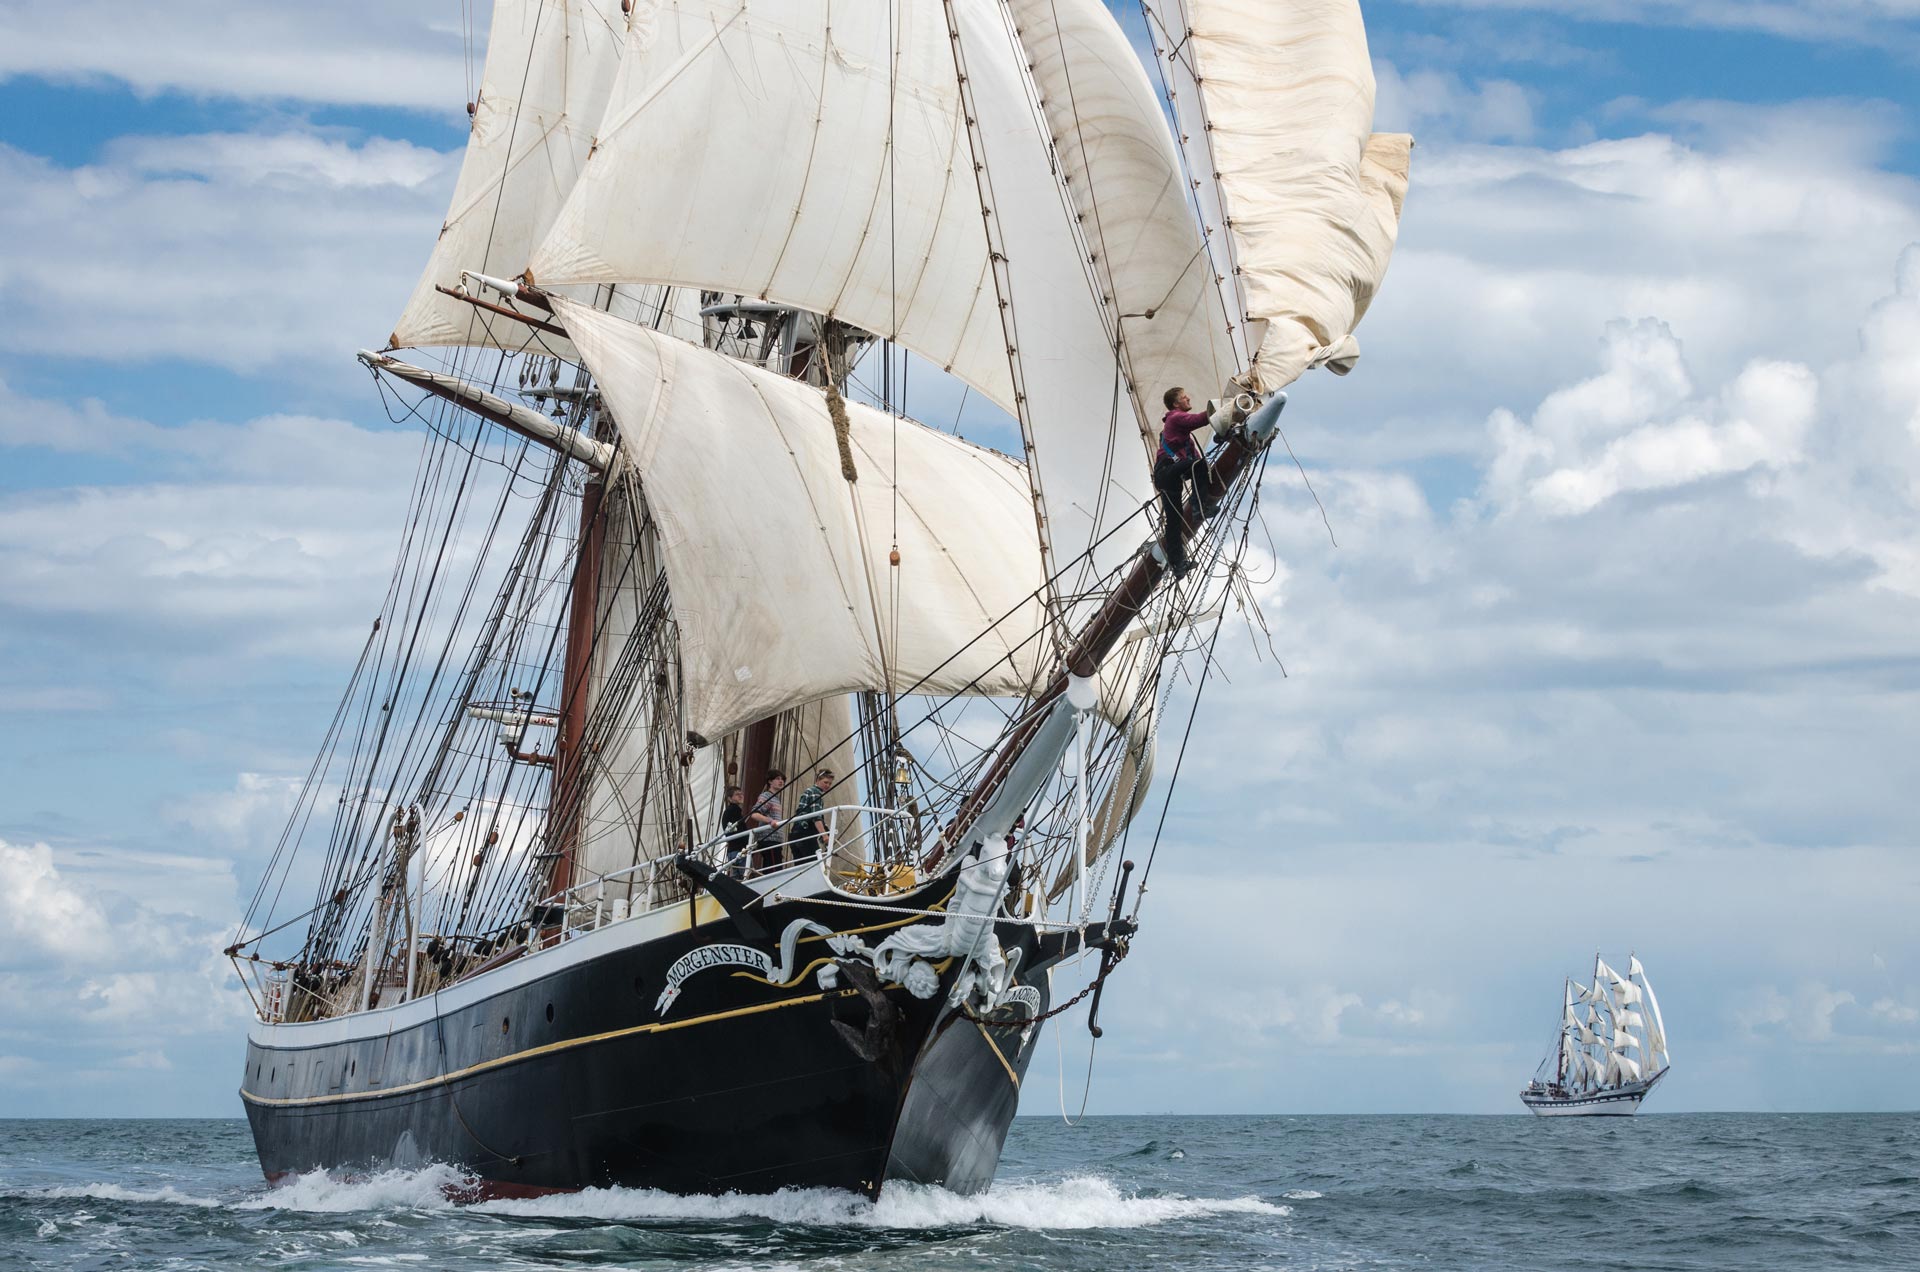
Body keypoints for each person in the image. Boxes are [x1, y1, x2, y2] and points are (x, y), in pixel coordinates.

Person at [1155, 387, 1223, 578]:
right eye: (1184, 397)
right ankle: (1198, 506)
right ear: (1176, 404)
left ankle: (1178, 564)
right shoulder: (1176, 417)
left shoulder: (1181, 433)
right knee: (1198, 465)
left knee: (1174, 522)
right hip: (1169, 471)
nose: (1188, 398)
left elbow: (1192, 457)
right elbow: (1199, 419)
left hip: (1167, 477)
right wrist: (1225, 408)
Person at [786, 768, 835, 862]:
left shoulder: (808, 791)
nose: (828, 785)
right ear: (818, 780)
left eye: (830, 783)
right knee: (814, 865)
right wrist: (824, 836)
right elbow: (816, 817)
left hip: (795, 834)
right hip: (805, 835)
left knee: (800, 868)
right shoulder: (815, 793)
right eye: (825, 782)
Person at [749, 770, 786, 873]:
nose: (781, 781)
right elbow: (754, 813)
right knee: (774, 870)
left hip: (775, 839)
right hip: (769, 838)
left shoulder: (776, 799)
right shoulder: (766, 796)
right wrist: (770, 820)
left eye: (782, 779)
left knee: (773, 868)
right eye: (777, 779)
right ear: (770, 781)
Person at [719, 785, 749, 876]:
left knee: (737, 881)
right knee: (747, 879)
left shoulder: (729, 811)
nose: (741, 796)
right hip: (740, 851)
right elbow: (738, 831)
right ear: (730, 799)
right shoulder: (734, 810)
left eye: (741, 794)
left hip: (732, 852)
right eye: (737, 794)